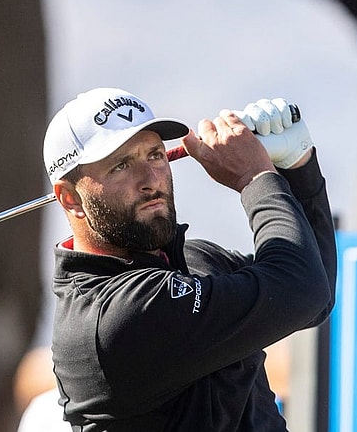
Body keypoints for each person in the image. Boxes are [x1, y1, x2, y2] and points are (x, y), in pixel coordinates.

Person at [41, 88, 336, 431]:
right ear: (70, 198)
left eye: (154, 155)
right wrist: (254, 178)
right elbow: (301, 289)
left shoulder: (197, 261)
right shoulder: (112, 316)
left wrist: (298, 166)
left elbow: (315, 296)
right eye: (121, 166)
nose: (150, 180)